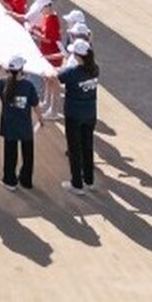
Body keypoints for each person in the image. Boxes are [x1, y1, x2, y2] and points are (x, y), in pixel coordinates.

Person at [0, 55, 42, 191]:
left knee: (10, 153)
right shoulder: (28, 86)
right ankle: (26, 180)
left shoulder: (3, 83)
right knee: (28, 154)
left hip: (9, 125)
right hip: (25, 126)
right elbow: (36, 105)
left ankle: (10, 180)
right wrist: (41, 120)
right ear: (22, 69)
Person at [59, 40, 100, 194]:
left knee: (75, 148)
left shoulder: (73, 72)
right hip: (90, 113)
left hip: (74, 113)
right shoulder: (95, 69)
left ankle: (77, 183)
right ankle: (89, 180)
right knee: (87, 146)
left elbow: (58, 77)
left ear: (77, 55)